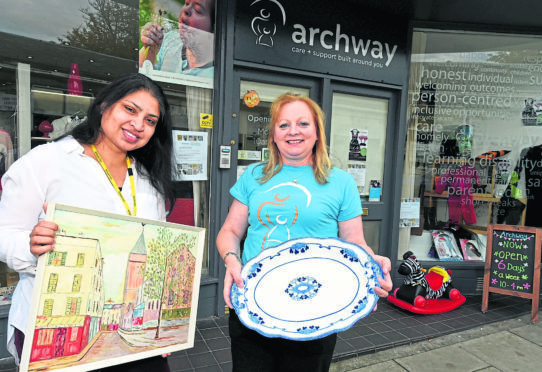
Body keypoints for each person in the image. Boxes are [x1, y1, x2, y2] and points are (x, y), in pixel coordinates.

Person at [0, 73, 175, 371]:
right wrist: (33, 247)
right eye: (129, 110)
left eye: (150, 120)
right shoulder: (47, 161)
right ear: (104, 105)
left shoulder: (147, 178)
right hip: (54, 329)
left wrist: (161, 327)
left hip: (130, 334)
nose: (138, 125)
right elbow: (5, 234)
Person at [216, 93, 393, 372]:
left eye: (303, 123)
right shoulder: (253, 175)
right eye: (283, 125)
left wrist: (371, 262)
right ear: (273, 134)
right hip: (254, 303)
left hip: (317, 310)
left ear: (317, 132)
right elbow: (230, 230)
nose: (293, 131)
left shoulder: (341, 182)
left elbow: (354, 240)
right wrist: (230, 258)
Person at [139, 0, 215, 78]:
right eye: (186, 4)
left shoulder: (214, 76)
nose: (186, 10)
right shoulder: (168, 40)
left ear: (214, 28)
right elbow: (137, 75)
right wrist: (150, 51)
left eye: (197, 10)